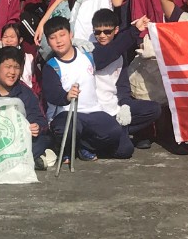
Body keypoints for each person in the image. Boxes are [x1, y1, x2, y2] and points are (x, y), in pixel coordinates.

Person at [40, 15, 157, 160]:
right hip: (66, 115)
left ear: (71, 35)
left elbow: (114, 49)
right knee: (69, 129)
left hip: (93, 112)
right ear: (48, 42)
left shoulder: (87, 56)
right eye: (52, 38)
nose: (58, 41)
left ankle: (84, 146)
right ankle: (68, 146)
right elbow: (52, 94)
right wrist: (66, 96)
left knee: (121, 143)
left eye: (62, 35)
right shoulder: (51, 66)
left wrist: (135, 30)